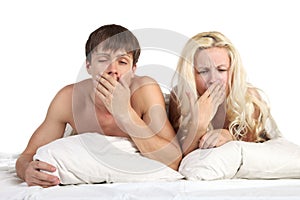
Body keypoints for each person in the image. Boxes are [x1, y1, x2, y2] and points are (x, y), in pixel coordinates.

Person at [16, 24, 182, 187]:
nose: (113, 70)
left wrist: (125, 114)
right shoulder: (68, 99)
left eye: (122, 62)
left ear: (133, 69)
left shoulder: (145, 91)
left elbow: (174, 161)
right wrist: (26, 171)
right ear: (88, 66)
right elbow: (27, 155)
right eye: (103, 60)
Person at [169, 31, 281, 156]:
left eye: (221, 70)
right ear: (190, 74)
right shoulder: (180, 98)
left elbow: (255, 150)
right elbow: (179, 159)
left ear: (232, 72)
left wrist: (230, 137)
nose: (213, 79)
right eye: (203, 71)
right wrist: (199, 125)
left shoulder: (249, 99)